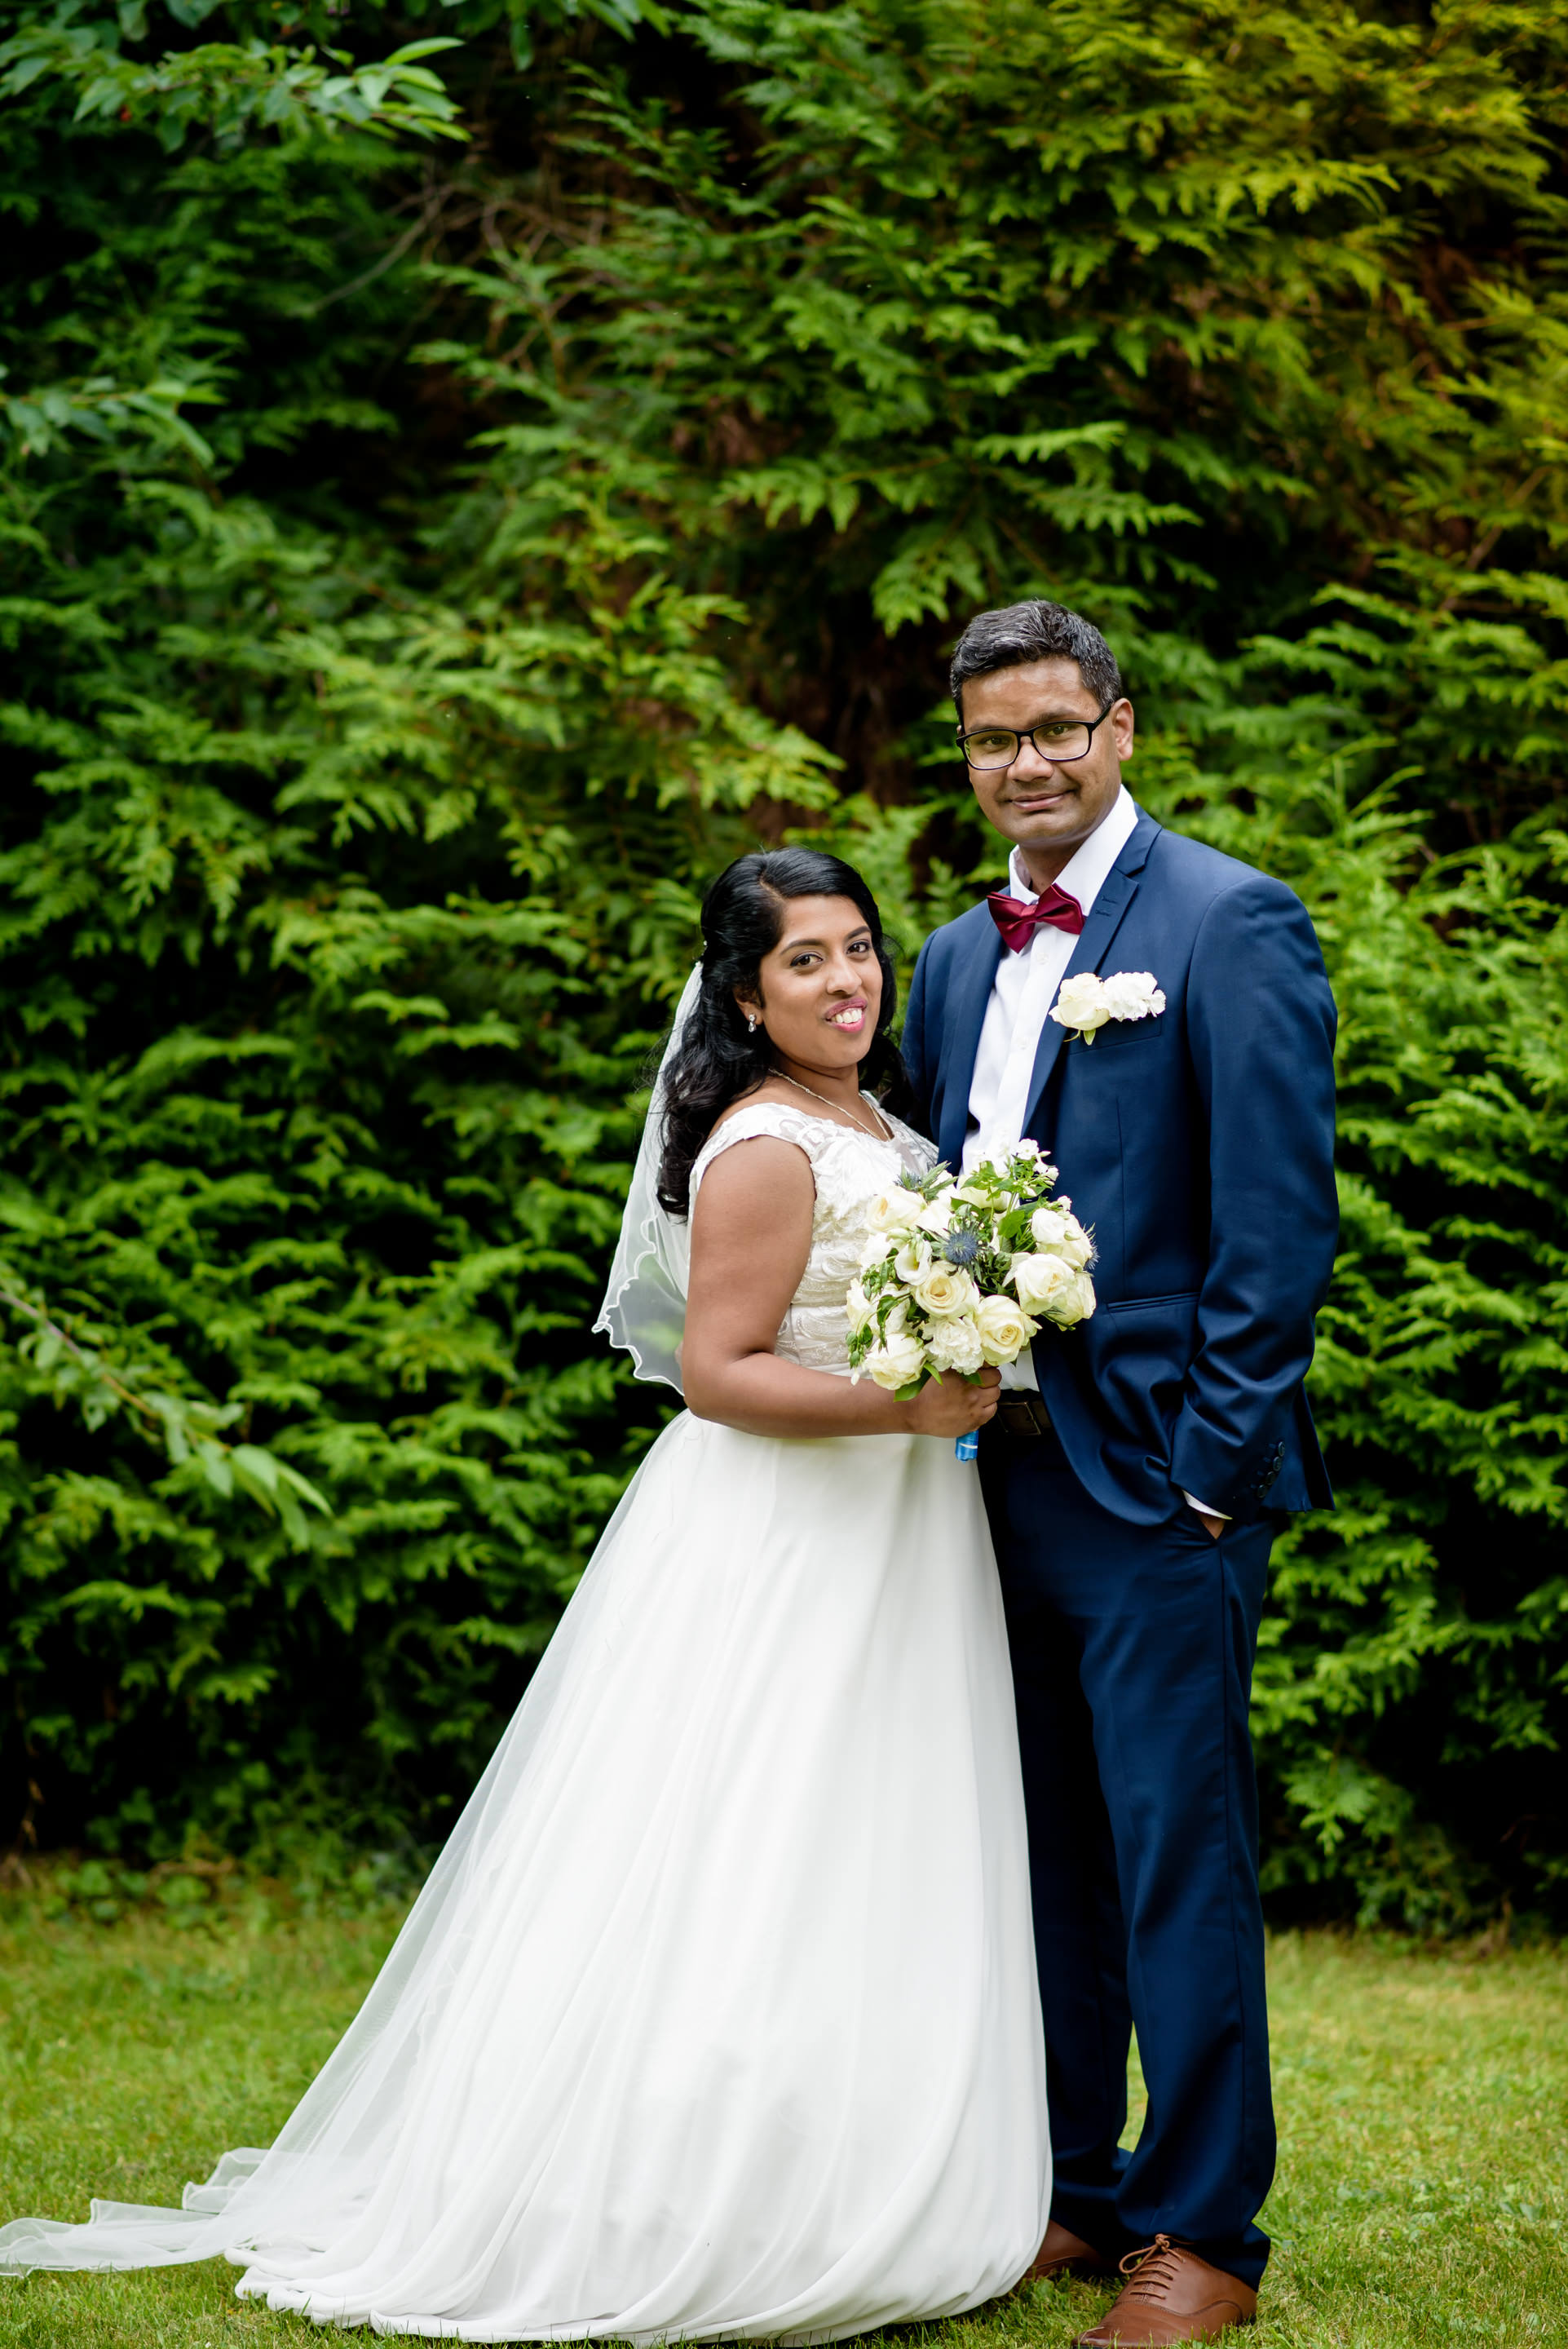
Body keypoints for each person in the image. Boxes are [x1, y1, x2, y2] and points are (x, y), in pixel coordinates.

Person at [0, 849, 1050, 2343]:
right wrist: (907, 1412)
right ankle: (691, 2188)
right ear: (745, 998)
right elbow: (721, 1373)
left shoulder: (875, 1118)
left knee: (872, 1836)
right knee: (752, 1839)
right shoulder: (768, 1140)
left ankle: (855, 2169)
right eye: (804, 961)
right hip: (793, 1531)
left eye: (859, 949)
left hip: (897, 1533)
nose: (848, 980)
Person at [901, 600, 1338, 2348]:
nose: (1023, 763)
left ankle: (1201, 2232)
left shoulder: (1229, 922)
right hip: (981, 1473)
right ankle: (1072, 2195)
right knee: (1042, 1854)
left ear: (1119, 728)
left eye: (1052, 730)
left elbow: (1275, 1219)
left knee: (1175, 1856)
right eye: (992, 739)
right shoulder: (946, 955)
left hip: (1157, 1480)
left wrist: (1215, 1475)